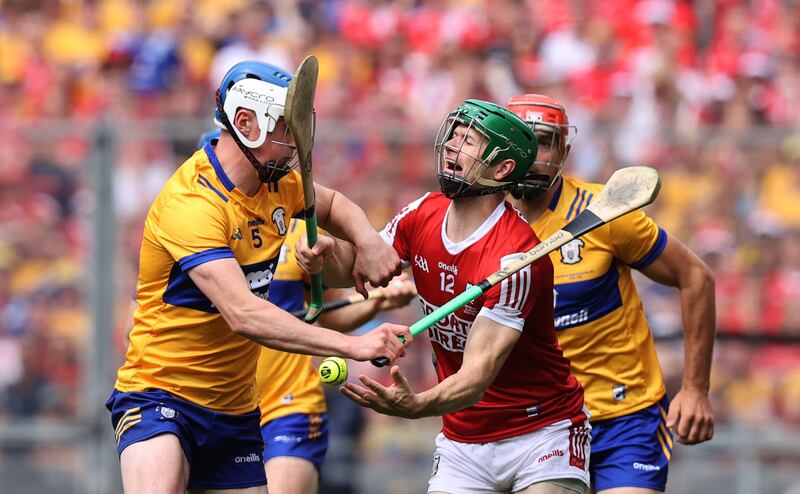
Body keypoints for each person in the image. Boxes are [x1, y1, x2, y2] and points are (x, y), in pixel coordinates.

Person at [105, 60, 412, 494]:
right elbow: (245, 314)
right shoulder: (192, 204)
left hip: (235, 409)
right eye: (287, 128)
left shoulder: (279, 184)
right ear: (246, 123)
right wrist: (353, 345)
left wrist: (368, 241)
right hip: (161, 394)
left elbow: (335, 204)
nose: (299, 143)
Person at [298, 99, 591, 494]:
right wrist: (325, 256)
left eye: (469, 141)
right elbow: (361, 265)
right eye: (454, 134)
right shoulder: (422, 213)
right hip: (462, 438)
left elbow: (475, 377)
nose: (452, 145)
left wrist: (418, 405)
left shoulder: (516, 256)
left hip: (540, 433)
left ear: (502, 169)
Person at [505, 94, 716, 494]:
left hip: (624, 418)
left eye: (545, 141)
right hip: (534, 425)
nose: (533, 154)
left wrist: (695, 389)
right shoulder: (482, 224)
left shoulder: (604, 212)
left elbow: (696, 277)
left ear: (564, 150)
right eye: (522, 141)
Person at [196, 129, 418, 494]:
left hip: (289, 401)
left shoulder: (297, 229)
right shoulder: (196, 233)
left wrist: (377, 302)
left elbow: (324, 315)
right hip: (217, 404)